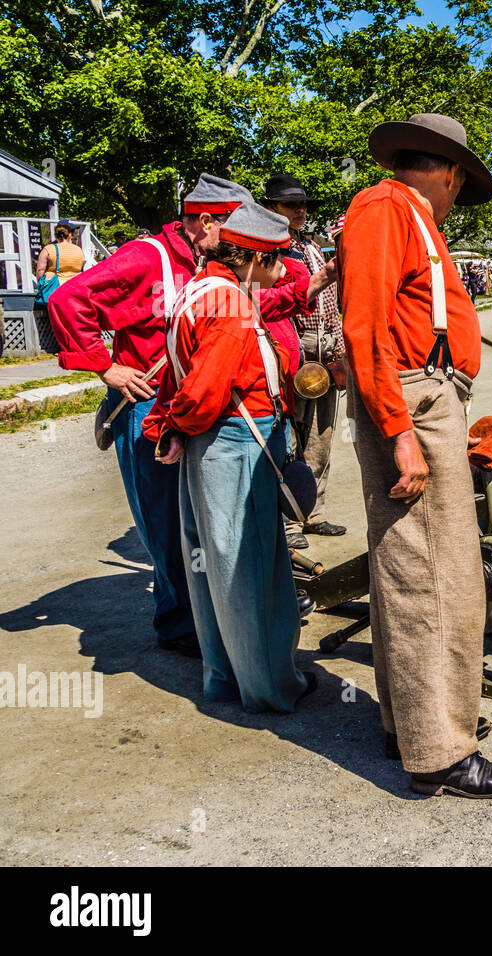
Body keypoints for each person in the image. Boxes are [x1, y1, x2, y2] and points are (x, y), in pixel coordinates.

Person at [49, 173, 334, 657]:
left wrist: (309, 287)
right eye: (234, 224)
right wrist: (106, 367)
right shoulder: (146, 257)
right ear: (205, 222)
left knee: (207, 523)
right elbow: (66, 299)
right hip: (148, 406)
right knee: (166, 524)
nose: (242, 236)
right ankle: (182, 626)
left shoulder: (207, 263)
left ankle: (217, 618)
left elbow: (251, 306)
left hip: (195, 405)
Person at [338, 112, 492, 798]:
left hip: (423, 396)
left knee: (416, 572)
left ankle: (413, 725)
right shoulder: (384, 207)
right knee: (433, 578)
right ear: (448, 173)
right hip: (414, 402)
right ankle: (440, 754)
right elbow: (364, 326)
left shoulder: (402, 214)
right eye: (458, 185)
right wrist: (398, 432)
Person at [144, 203, 314, 713]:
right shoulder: (230, 306)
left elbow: (179, 378)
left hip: (210, 441)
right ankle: (270, 687)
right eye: (279, 255)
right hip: (238, 439)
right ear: (255, 256)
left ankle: (224, 678)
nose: (285, 265)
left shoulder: (197, 288)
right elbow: (202, 391)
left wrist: (169, 427)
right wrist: (177, 422)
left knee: (212, 568)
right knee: (250, 568)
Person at [263, 172, 348, 549]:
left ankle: (313, 511)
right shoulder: (267, 249)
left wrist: (341, 350)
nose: (299, 210)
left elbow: (330, 302)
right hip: (292, 345)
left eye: (302, 204)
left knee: (322, 437)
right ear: (271, 208)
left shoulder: (311, 246)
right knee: (291, 439)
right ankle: (289, 521)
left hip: (325, 346)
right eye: (290, 204)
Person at [35, 220, 86, 297]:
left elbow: (40, 270)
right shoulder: (79, 249)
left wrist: (41, 285)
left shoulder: (48, 249)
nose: (73, 234)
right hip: (76, 287)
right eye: (72, 231)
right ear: (68, 234)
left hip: (56, 288)